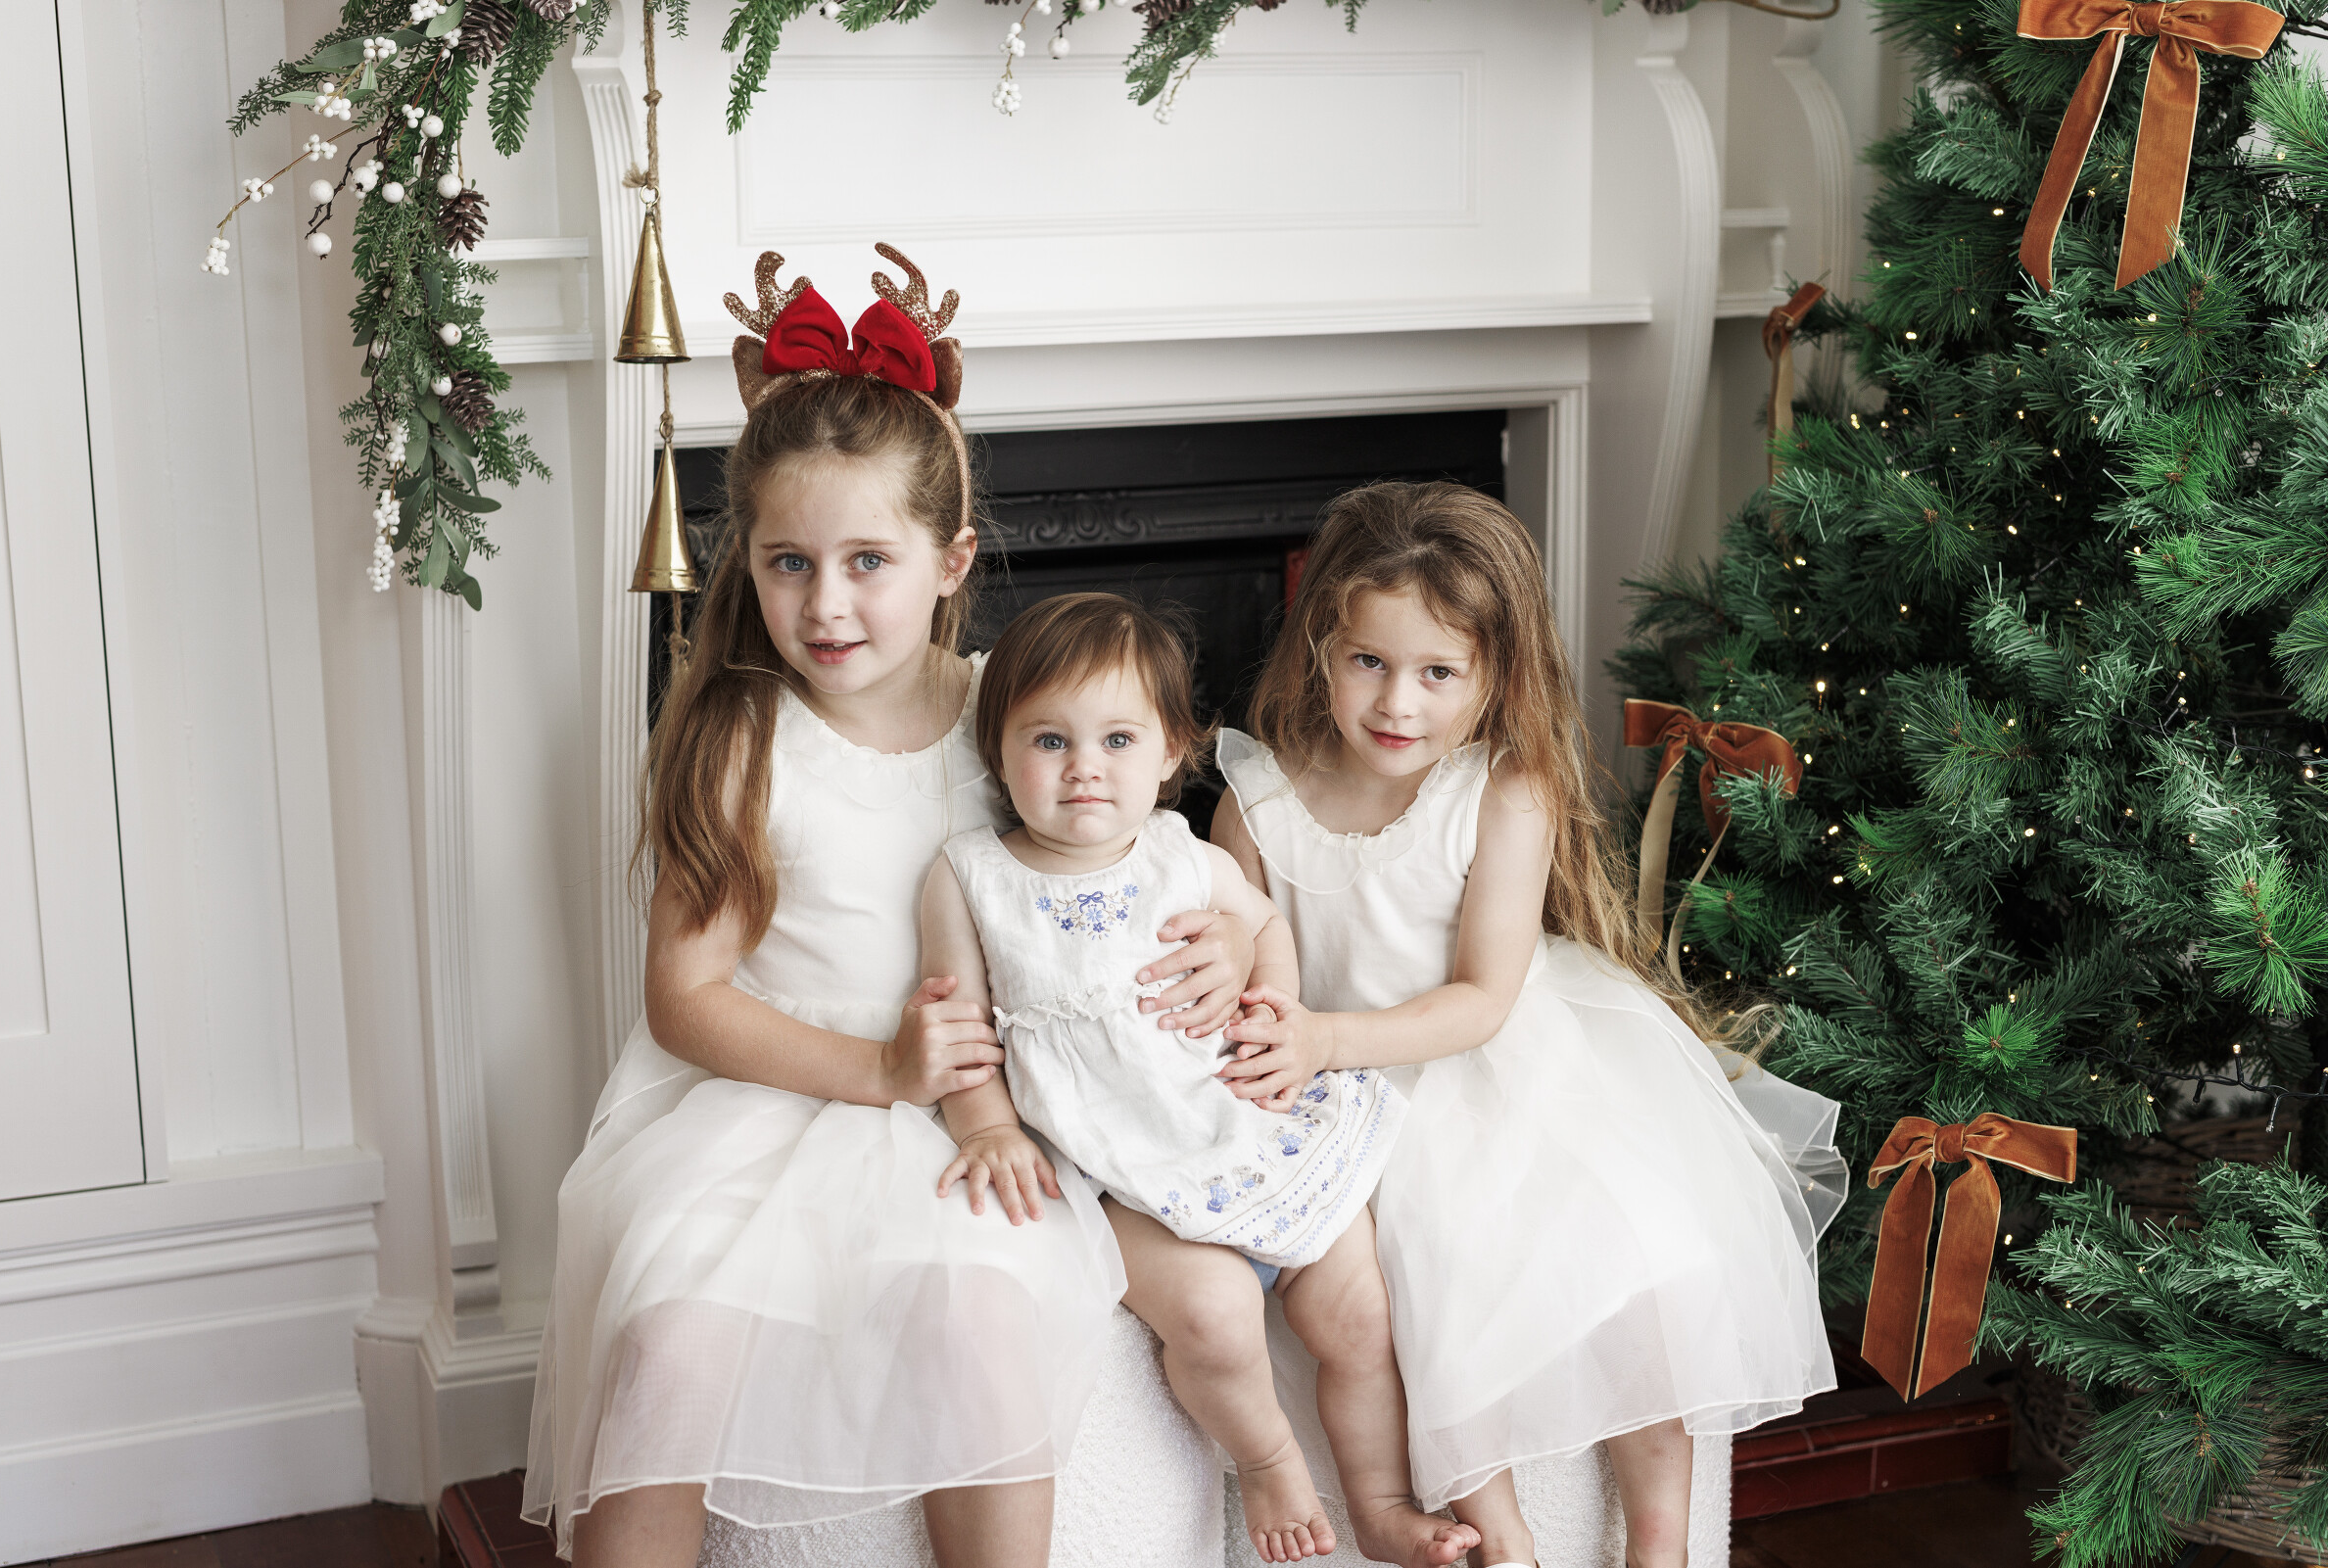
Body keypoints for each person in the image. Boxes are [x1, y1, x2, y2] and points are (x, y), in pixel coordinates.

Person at [522, 249, 1256, 1568]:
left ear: (951, 558)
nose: (827, 603)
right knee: (669, 1328)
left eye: (869, 559)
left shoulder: (1010, 712)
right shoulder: (741, 736)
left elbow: (1141, 852)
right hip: (780, 1091)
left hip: (981, 1104)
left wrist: (1236, 934)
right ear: (746, 561)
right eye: (788, 562)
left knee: (981, 1304)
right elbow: (684, 999)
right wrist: (880, 1070)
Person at [1212, 482, 1843, 1568]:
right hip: (1345, 1099)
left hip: (1498, 1058)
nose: (1397, 702)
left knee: (1646, 1255)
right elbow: (1244, 967)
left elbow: (1483, 998)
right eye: (1368, 660)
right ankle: (1501, 1539)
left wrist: (1325, 1036)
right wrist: (1284, 1040)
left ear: (1495, 675)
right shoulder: (1257, 799)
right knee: (1435, 1272)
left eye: (1438, 673)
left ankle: (1660, 1546)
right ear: (1321, 647)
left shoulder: (1504, 790)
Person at [921, 593, 1482, 1568]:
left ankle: (1381, 1500)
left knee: (1358, 1312)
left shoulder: (1183, 855)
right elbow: (958, 1025)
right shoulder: (971, 876)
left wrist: (1272, 1004)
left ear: (1170, 751)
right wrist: (988, 1127)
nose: (1084, 766)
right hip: (1122, 1178)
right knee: (1215, 1316)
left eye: (1117, 738)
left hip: (1251, 1127)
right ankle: (1266, 1459)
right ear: (997, 751)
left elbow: (1268, 927)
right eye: (1049, 739)